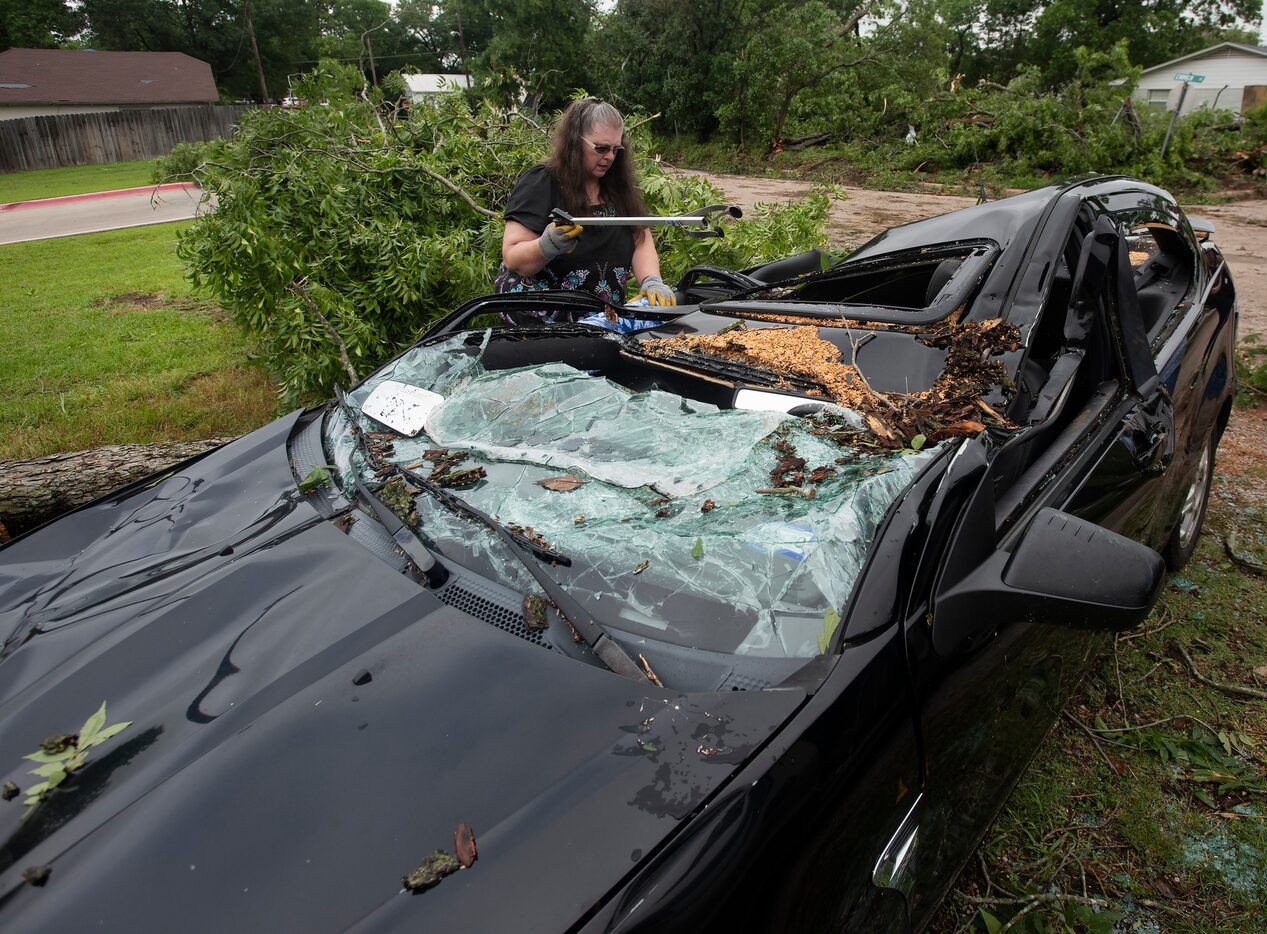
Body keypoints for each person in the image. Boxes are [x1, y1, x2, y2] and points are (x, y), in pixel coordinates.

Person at [496, 98, 676, 315]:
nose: (609, 157)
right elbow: (512, 256)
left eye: (615, 149)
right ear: (575, 141)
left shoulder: (618, 187)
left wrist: (651, 280)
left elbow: (641, 238)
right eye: (600, 148)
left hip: (602, 319)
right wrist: (545, 246)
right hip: (541, 322)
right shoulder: (541, 182)